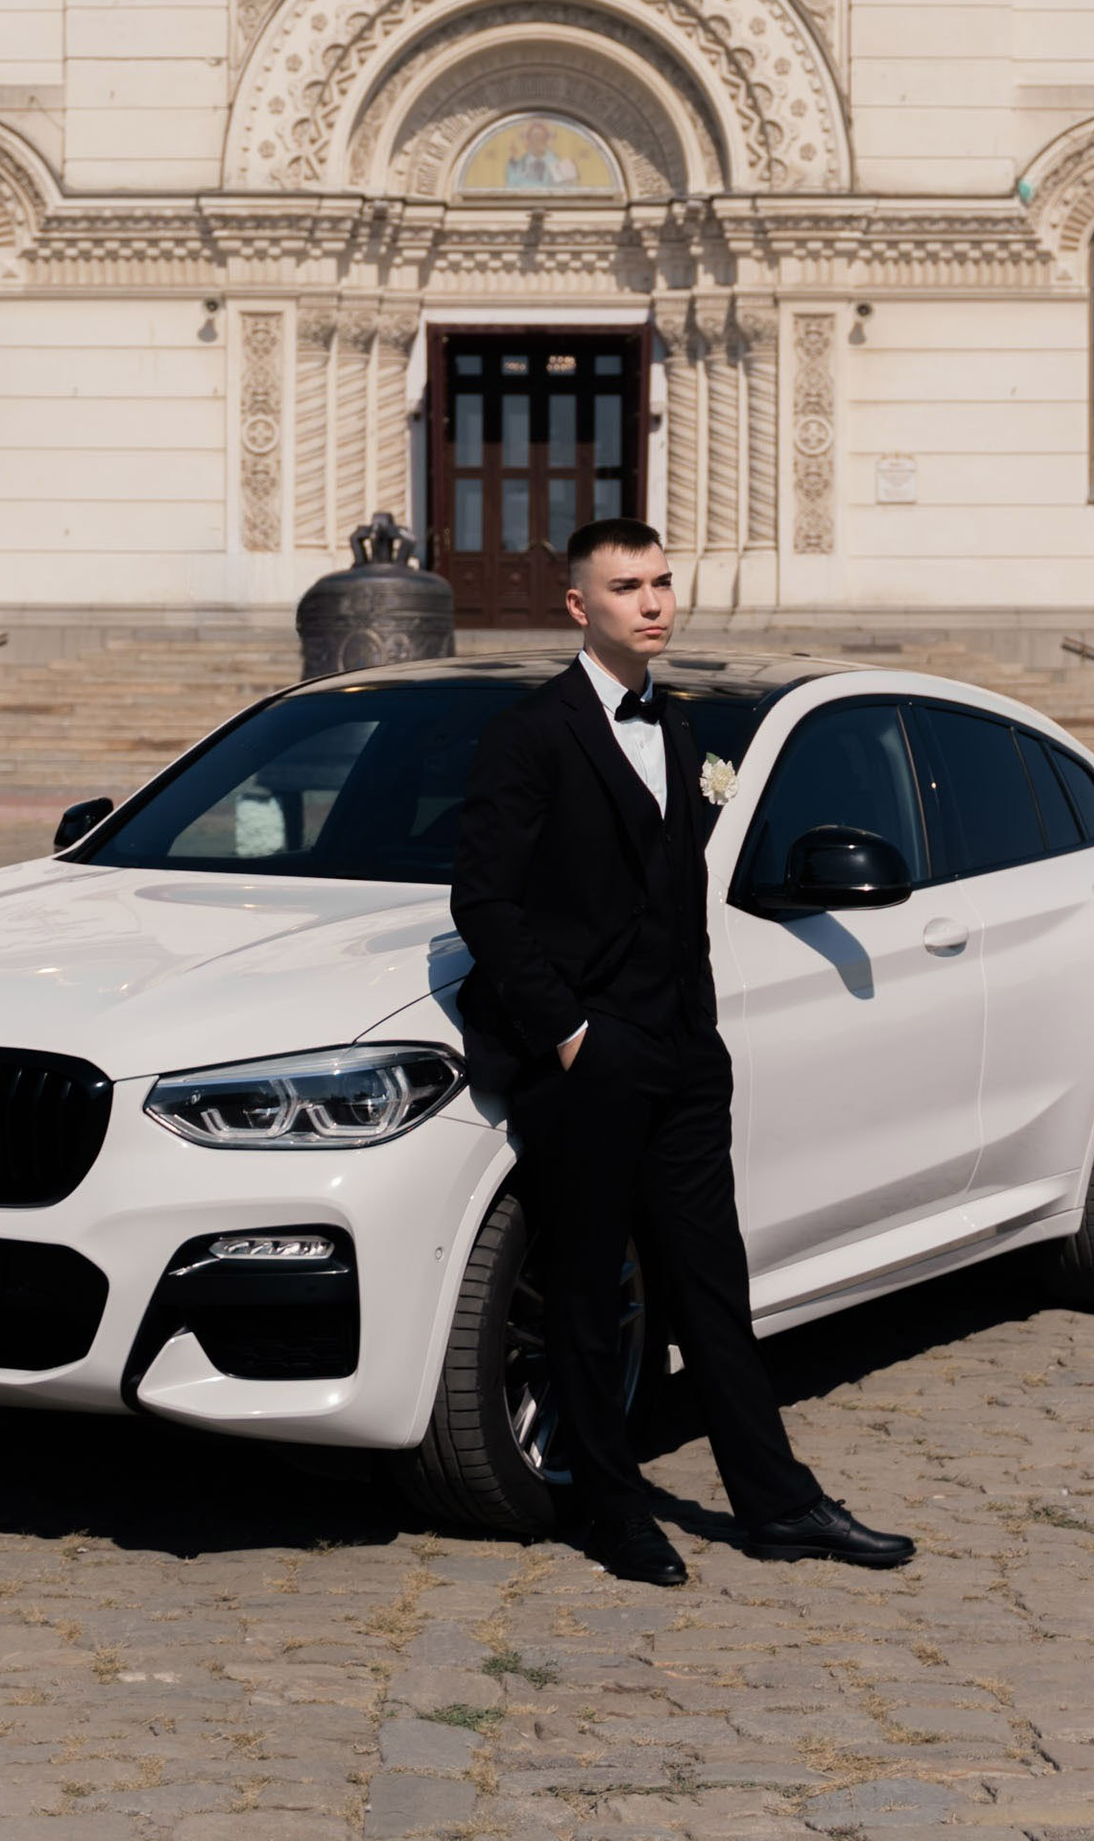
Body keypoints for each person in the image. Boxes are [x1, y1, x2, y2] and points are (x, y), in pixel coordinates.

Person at [450, 515, 916, 1588]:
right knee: (583, 1291)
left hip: (681, 1055)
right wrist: (568, 1035)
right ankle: (609, 1510)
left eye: (663, 583)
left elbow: (680, 894)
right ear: (579, 607)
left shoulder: (685, 729)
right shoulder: (529, 733)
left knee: (712, 1289)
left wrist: (697, 1034)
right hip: (586, 1060)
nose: (654, 603)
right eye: (627, 588)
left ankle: (779, 1504)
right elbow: (484, 900)